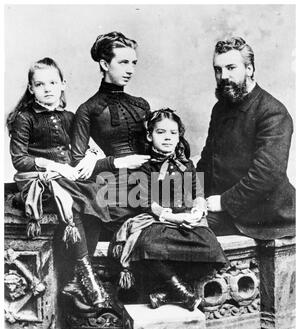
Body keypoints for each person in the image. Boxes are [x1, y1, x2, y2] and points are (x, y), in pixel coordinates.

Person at [7, 57, 111, 311]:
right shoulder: (25, 118)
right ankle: (86, 276)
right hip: (38, 180)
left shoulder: (69, 116)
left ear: (63, 84)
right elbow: (19, 160)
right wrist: (53, 166)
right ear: (31, 89)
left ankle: (77, 279)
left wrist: (87, 158)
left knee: (97, 197)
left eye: (53, 82)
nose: (48, 88)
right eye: (40, 84)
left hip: (66, 177)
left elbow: (84, 148)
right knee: (71, 200)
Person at [109, 108, 229, 311]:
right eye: (161, 132)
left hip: (188, 220)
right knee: (147, 247)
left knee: (212, 250)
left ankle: (166, 294)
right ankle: (183, 293)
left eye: (173, 133)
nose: (167, 138)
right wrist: (172, 218)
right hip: (158, 221)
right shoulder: (144, 167)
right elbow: (148, 203)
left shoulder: (186, 164)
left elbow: (198, 194)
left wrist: (197, 212)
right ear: (149, 135)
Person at [196, 37, 295, 240]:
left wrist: (223, 202)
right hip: (223, 209)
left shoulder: (272, 112)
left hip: (262, 218)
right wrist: (192, 196)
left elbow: (266, 175)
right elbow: (207, 161)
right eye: (218, 69)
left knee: (181, 233)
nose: (223, 76)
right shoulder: (220, 108)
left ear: (249, 69)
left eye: (231, 68)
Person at [70, 31, 151, 234]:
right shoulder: (88, 110)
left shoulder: (141, 104)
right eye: (123, 62)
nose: (131, 70)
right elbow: (77, 165)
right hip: (116, 186)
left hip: (150, 178)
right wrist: (116, 162)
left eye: (134, 63)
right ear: (105, 65)